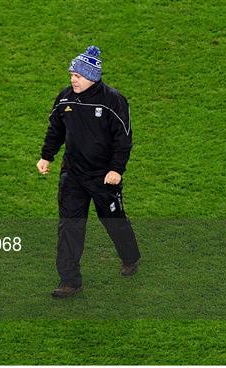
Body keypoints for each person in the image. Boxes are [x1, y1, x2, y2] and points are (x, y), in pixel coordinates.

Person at [37, 46, 141, 298]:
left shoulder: (113, 101)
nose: (73, 79)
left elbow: (123, 138)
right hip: (72, 175)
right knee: (69, 227)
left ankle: (131, 258)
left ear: (92, 77)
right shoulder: (65, 98)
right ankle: (70, 281)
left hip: (104, 177)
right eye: (72, 74)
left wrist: (116, 169)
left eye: (78, 75)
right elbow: (56, 130)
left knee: (113, 220)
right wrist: (46, 156)